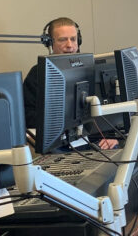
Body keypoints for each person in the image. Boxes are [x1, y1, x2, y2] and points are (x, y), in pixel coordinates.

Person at [23, 17, 118, 149]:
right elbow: (27, 116)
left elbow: (106, 109)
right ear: (50, 44)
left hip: (95, 140)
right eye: (63, 40)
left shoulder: (90, 69)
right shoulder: (38, 74)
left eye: (73, 39)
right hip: (58, 145)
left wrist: (112, 137)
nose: (69, 45)